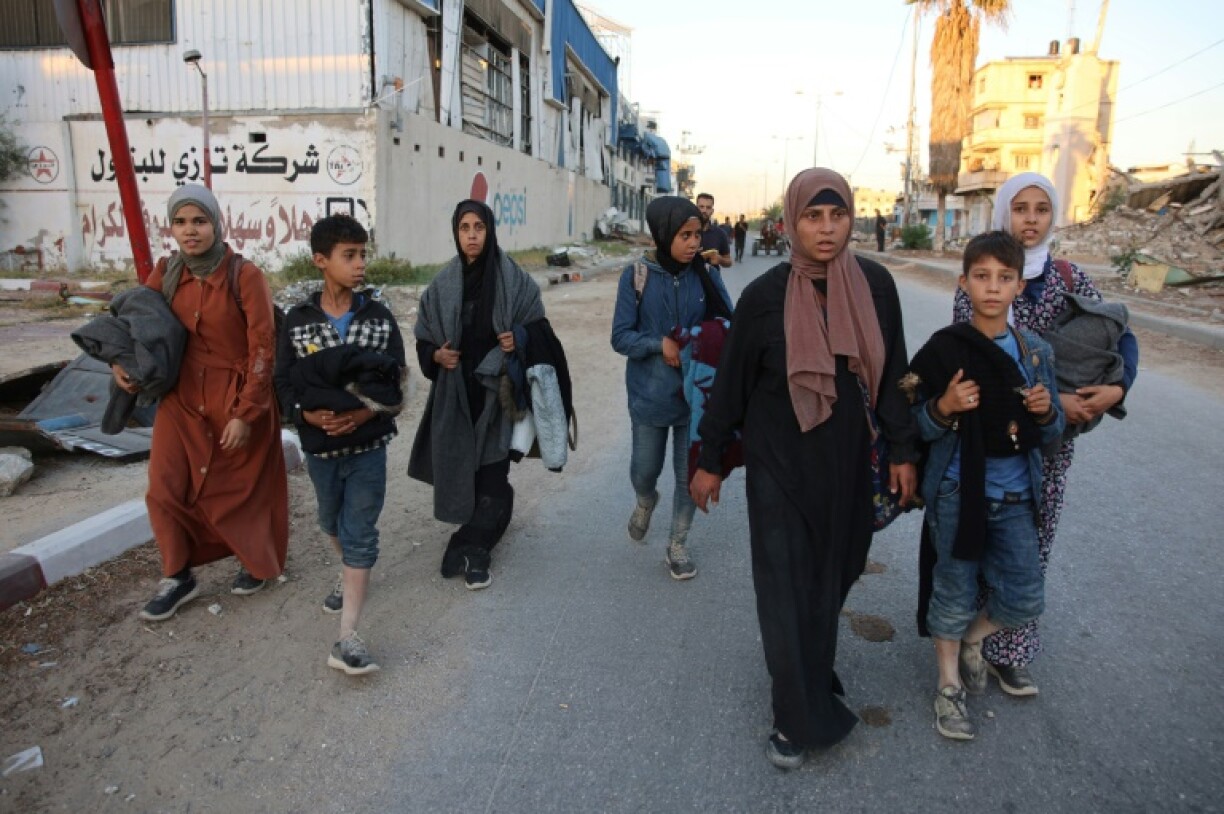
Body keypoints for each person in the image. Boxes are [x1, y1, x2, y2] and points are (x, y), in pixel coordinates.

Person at [690, 169, 918, 769]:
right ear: (791, 221)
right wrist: (709, 460)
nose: (825, 228)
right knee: (785, 593)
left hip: (847, 468)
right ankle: (795, 715)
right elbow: (730, 387)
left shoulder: (875, 285)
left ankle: (812, 671)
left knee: (832, 576)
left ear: (850, 219)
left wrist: (902, 452)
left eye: (836, 215)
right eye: (812, 217)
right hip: (779, 471)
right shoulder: (764, 297)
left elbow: (893, 374)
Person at [950, 173, 1138, 696]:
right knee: (982, 540)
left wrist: (1117, 390)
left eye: (1040, 209)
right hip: (990, 444)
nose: (1030, 219)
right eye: (1020, 208)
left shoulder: (1068, 277)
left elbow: (1119, 333)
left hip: (1049, 449)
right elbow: (974, 363)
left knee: (1032, 544)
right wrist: (1056, 399)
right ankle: (962, 638)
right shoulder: (982, 277)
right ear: (1003, 214)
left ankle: (1009, 650)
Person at [906, 230, 1065, 740]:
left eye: (1004, 277)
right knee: (952, 588)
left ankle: (976, 640)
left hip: (1017, 496)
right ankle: (948, 685)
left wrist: (1047, 412)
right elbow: (910, 422)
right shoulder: (943, 350)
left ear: (1020, 285)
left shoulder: (1036, 353)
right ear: (964, 283)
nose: (993, 287)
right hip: (957, 493)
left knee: (1024, 595)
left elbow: (1055, 429)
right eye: (982, 276)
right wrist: (943, 408)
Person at [116, 184, 288, 622]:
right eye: (180, 222)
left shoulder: (243, 275)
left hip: (233, 397)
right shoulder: (167, 273)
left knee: (238, 490)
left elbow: (263, 347)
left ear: (216, 223)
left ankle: (256, 560)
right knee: (165, 487)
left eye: (199, 221)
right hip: (180, 401)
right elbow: (139, 326)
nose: (189, 231)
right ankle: (177, 576)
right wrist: (122, 366)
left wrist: (248, 412)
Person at [274, 215, 406, 675]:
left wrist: (364, 413)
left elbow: (397, 385)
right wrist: (306, 415)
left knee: (360, 531)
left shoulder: (379, 317)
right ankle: (346, 568)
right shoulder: (297, 321)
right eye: (349, 256)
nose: (359, 264)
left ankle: (347, 637)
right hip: (320, 451)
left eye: (362, 254)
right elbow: (283, 385)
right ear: (320, 261)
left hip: (369, 449)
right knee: (331, 519)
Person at [409, 199, 545, 590]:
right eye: (465, 227)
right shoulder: (441, 285)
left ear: (490, 231)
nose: (472, 235)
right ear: (456, 232)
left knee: (492, 475)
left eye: (478, 227)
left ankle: (473, 550)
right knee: (468, 475)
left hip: (498, 395)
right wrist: (436, 354)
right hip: (457, 396)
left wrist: (518, 337)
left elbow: (539, 327)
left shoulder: (513, 279)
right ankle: (484, 526)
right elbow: (423, 339)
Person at [611, 196, 733, 580]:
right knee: (644, 470)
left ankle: (678, 543)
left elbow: (729, 324)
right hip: (649, 395)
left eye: (697, 234)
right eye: (685, 235)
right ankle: (646, 500)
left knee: (689, 476)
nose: (694, 243)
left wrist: (700, 341)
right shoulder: (636, 276)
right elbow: (620, 337)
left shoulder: (708, 276)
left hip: (696, 399)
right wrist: (658, 343)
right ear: (664, 234)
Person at [695, 192, 733, 268]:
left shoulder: (720, 234)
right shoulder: (686, 231)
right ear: (696, 208)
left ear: (712, 211)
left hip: (712, 279)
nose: (704, 211)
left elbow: (729, 261)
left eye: (708, 207)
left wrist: (720, 260)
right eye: (701, 207)